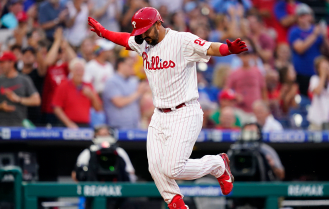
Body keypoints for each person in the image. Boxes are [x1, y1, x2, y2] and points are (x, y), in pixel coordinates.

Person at [88, 6, 248, 208]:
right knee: (155, 167)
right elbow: (124, 38)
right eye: (140, 31)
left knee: (172, 168)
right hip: (159, 114)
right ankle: (175, 202)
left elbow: (209, 47)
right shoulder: (143, 42)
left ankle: (217, 164)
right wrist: (103, 32)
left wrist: (228, 50)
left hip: (185, 111)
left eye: (146, 30)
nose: (143, 35)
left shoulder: (182, 40)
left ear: (157, 23)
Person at [0, 51, 41, 126]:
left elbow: (36, 100)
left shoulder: (24, 79)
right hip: (1, 125)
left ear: (11, 63)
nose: (0, 65)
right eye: (0, 63)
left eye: (3, 62)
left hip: (19, 126)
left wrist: (18, 99)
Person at [71, 125, 136, 182]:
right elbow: (75, 174)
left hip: (116, 186)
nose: (104, 137)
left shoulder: (119, 151)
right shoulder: (89, 152)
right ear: (95, 135)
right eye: (101, 135)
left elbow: (130, 172)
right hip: (94, 187)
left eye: (106, 134)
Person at [52, 58, 102, 128]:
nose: (79, 72)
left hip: (84, 125)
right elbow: (56, 108)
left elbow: (98, 109)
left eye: (81, 70)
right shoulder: (63, 86)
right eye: (77, 70)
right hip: (67, 126)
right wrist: (68, 123)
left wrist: (92, 96)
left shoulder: (89, 86)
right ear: (71, 71)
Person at [41, 28, 77, 125]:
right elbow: (48, 61)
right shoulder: (46, 68)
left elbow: (75, 62)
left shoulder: (63, 67)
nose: (59, 54)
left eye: (60, 53)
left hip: (64, 108)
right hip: (49, 108)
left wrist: (65, 45)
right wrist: (57, 41)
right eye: (58, 52)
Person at [225, 41, 267, 124]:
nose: (246, 57)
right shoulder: (234, 73)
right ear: (240, 56)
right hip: (239, 111)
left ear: (251, 56)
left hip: (256, 112)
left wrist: (265, 106)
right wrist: (235, 96)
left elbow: (263, 90)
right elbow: (226, 91)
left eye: (248, 54)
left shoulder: (257, 71)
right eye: (243, 54)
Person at [288, 3, 324, 96]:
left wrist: (325, 36)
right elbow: (300, 49)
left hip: (316, 71)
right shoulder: (294, 31)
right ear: (297, 18)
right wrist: (314, 35)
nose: (304, 18)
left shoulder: (317, 30)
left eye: (306, 15)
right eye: (301, 16)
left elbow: (326, 50)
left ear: (311, 16)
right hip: (301, 73)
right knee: (303, 100)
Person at [102, 57, 147, 129]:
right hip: (117, 128)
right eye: (130, 65)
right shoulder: (112, 81)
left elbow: (140, 104)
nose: (132, 68)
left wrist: (143, 92)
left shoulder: (134, 81)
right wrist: (138, 92)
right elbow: (119, 102)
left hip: (134, 126)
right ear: (120, 65)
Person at [21, 47, 45, 126]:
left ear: (35, 58)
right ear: (21, 57)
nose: (28, 56)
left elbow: (43, 68)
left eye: (31, 55)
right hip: (19, 113)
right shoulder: (16, 73)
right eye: (25, 54)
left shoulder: (38, 73)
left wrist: (37, 50)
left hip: (34, 113)